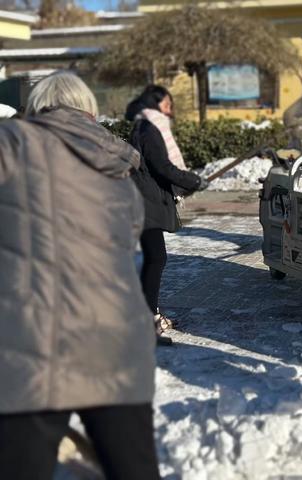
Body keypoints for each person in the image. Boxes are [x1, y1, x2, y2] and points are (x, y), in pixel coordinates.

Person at [0, 71, 159, 480]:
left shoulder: (13, 142)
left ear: (35, 108)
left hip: (31, 348)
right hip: (115, 341)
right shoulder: (118, 167)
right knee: (134, 470)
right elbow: (127, 243)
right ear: (89, 110)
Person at [125, 85, 208, 338]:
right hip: (145, 200)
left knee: (152, 258)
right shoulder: (150, 128)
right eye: (167, 103)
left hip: (143, 197)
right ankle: (148, 320)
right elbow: (161, 165)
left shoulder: (145, 125)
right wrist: (191, 180)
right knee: (155, 258)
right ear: (154, 102)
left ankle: (148, 312)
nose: (170, 108)